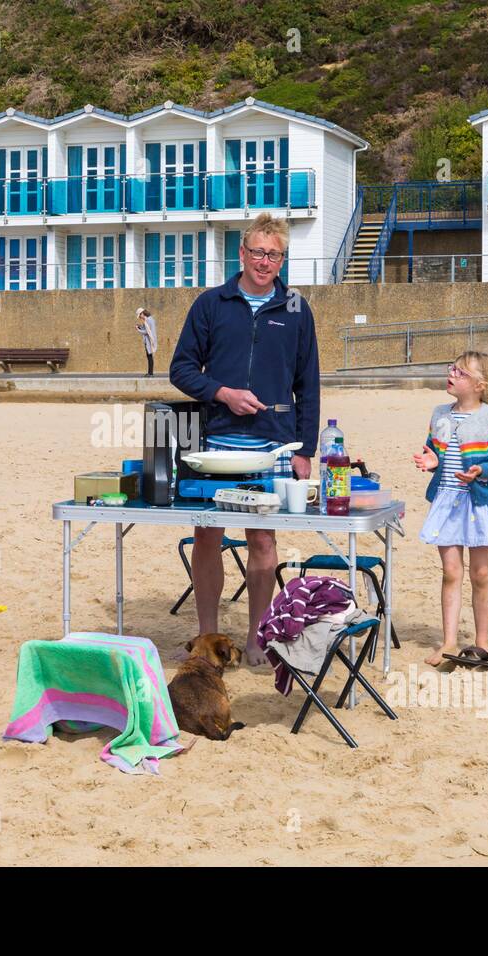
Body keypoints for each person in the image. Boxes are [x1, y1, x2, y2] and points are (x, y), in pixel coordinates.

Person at [170, 212, 319, 665]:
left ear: (282, 258)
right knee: (208, 537)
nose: (264, 261)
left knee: (263, 541)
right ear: (242, 253)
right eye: (257, 251)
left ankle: (256, 636)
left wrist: (306, 450)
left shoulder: (296, 308)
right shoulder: (211, 303)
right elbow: (181, 369)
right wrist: (222, 393)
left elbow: (308, 383)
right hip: (216, 441)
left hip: (274, 444)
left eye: (273, 254)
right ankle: (208, 636)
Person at [412, 351, 488, 666]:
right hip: (447, 500)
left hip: (480, 503)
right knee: (451, 572)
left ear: (478, 385)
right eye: (452, 369)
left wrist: (480, 471)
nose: (452, 374)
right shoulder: (439, 413)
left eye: (460, 372)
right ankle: (448, 642)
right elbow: (434, 452)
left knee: (481, 573)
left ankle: (482, 641)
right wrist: (432, 461)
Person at [135, 307, 158, 376]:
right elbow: (146, 329)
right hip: (150, 340)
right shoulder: (150, 319)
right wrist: (140, 327)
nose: (139, 317)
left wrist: (138, 330)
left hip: (149, 341)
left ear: (142, 313)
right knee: (149, 356)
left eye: (139, 316)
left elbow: (146, 331)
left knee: (149, 356)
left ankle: (150, 373)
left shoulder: (148, 320)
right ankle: (150, 372)